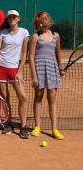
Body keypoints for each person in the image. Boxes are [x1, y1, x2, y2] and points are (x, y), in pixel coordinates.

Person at [0, 10, 30, 139]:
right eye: (9, 17)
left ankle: (24, 127)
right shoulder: (3, 33)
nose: (11, 19)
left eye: (14, 17)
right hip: (1, 67)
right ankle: (8, 123)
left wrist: (19, 71)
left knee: (23, 97)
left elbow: (25, 53)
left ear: (18, 18)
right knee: (5, 98)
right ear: (7, 19)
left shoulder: (24, 32)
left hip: (14, 68)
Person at [29, 12, 64, 140]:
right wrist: (34, 75)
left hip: (52, 68)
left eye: (43, 21)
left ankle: (54, 129)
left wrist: (60, 68)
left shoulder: (56, 36)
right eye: (38, 23)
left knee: (52, 99)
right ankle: (37, 127)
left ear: (48, 20)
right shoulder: (35, 37)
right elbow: (31, 56)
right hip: (39, 68)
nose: (41, 24)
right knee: (38, 97)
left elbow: (58, 53)